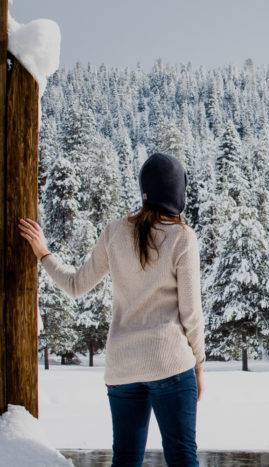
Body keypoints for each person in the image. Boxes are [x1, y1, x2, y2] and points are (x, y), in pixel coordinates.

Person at [19, 152, 205, 467]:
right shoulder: (182, 237)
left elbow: (76, 284)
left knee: (125, 460)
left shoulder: (115, 232)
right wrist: (199, 363)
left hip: (122, 367)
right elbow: (191, 313)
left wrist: (44, 253)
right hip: (170, 363)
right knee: (183, 458)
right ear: (178, 193)